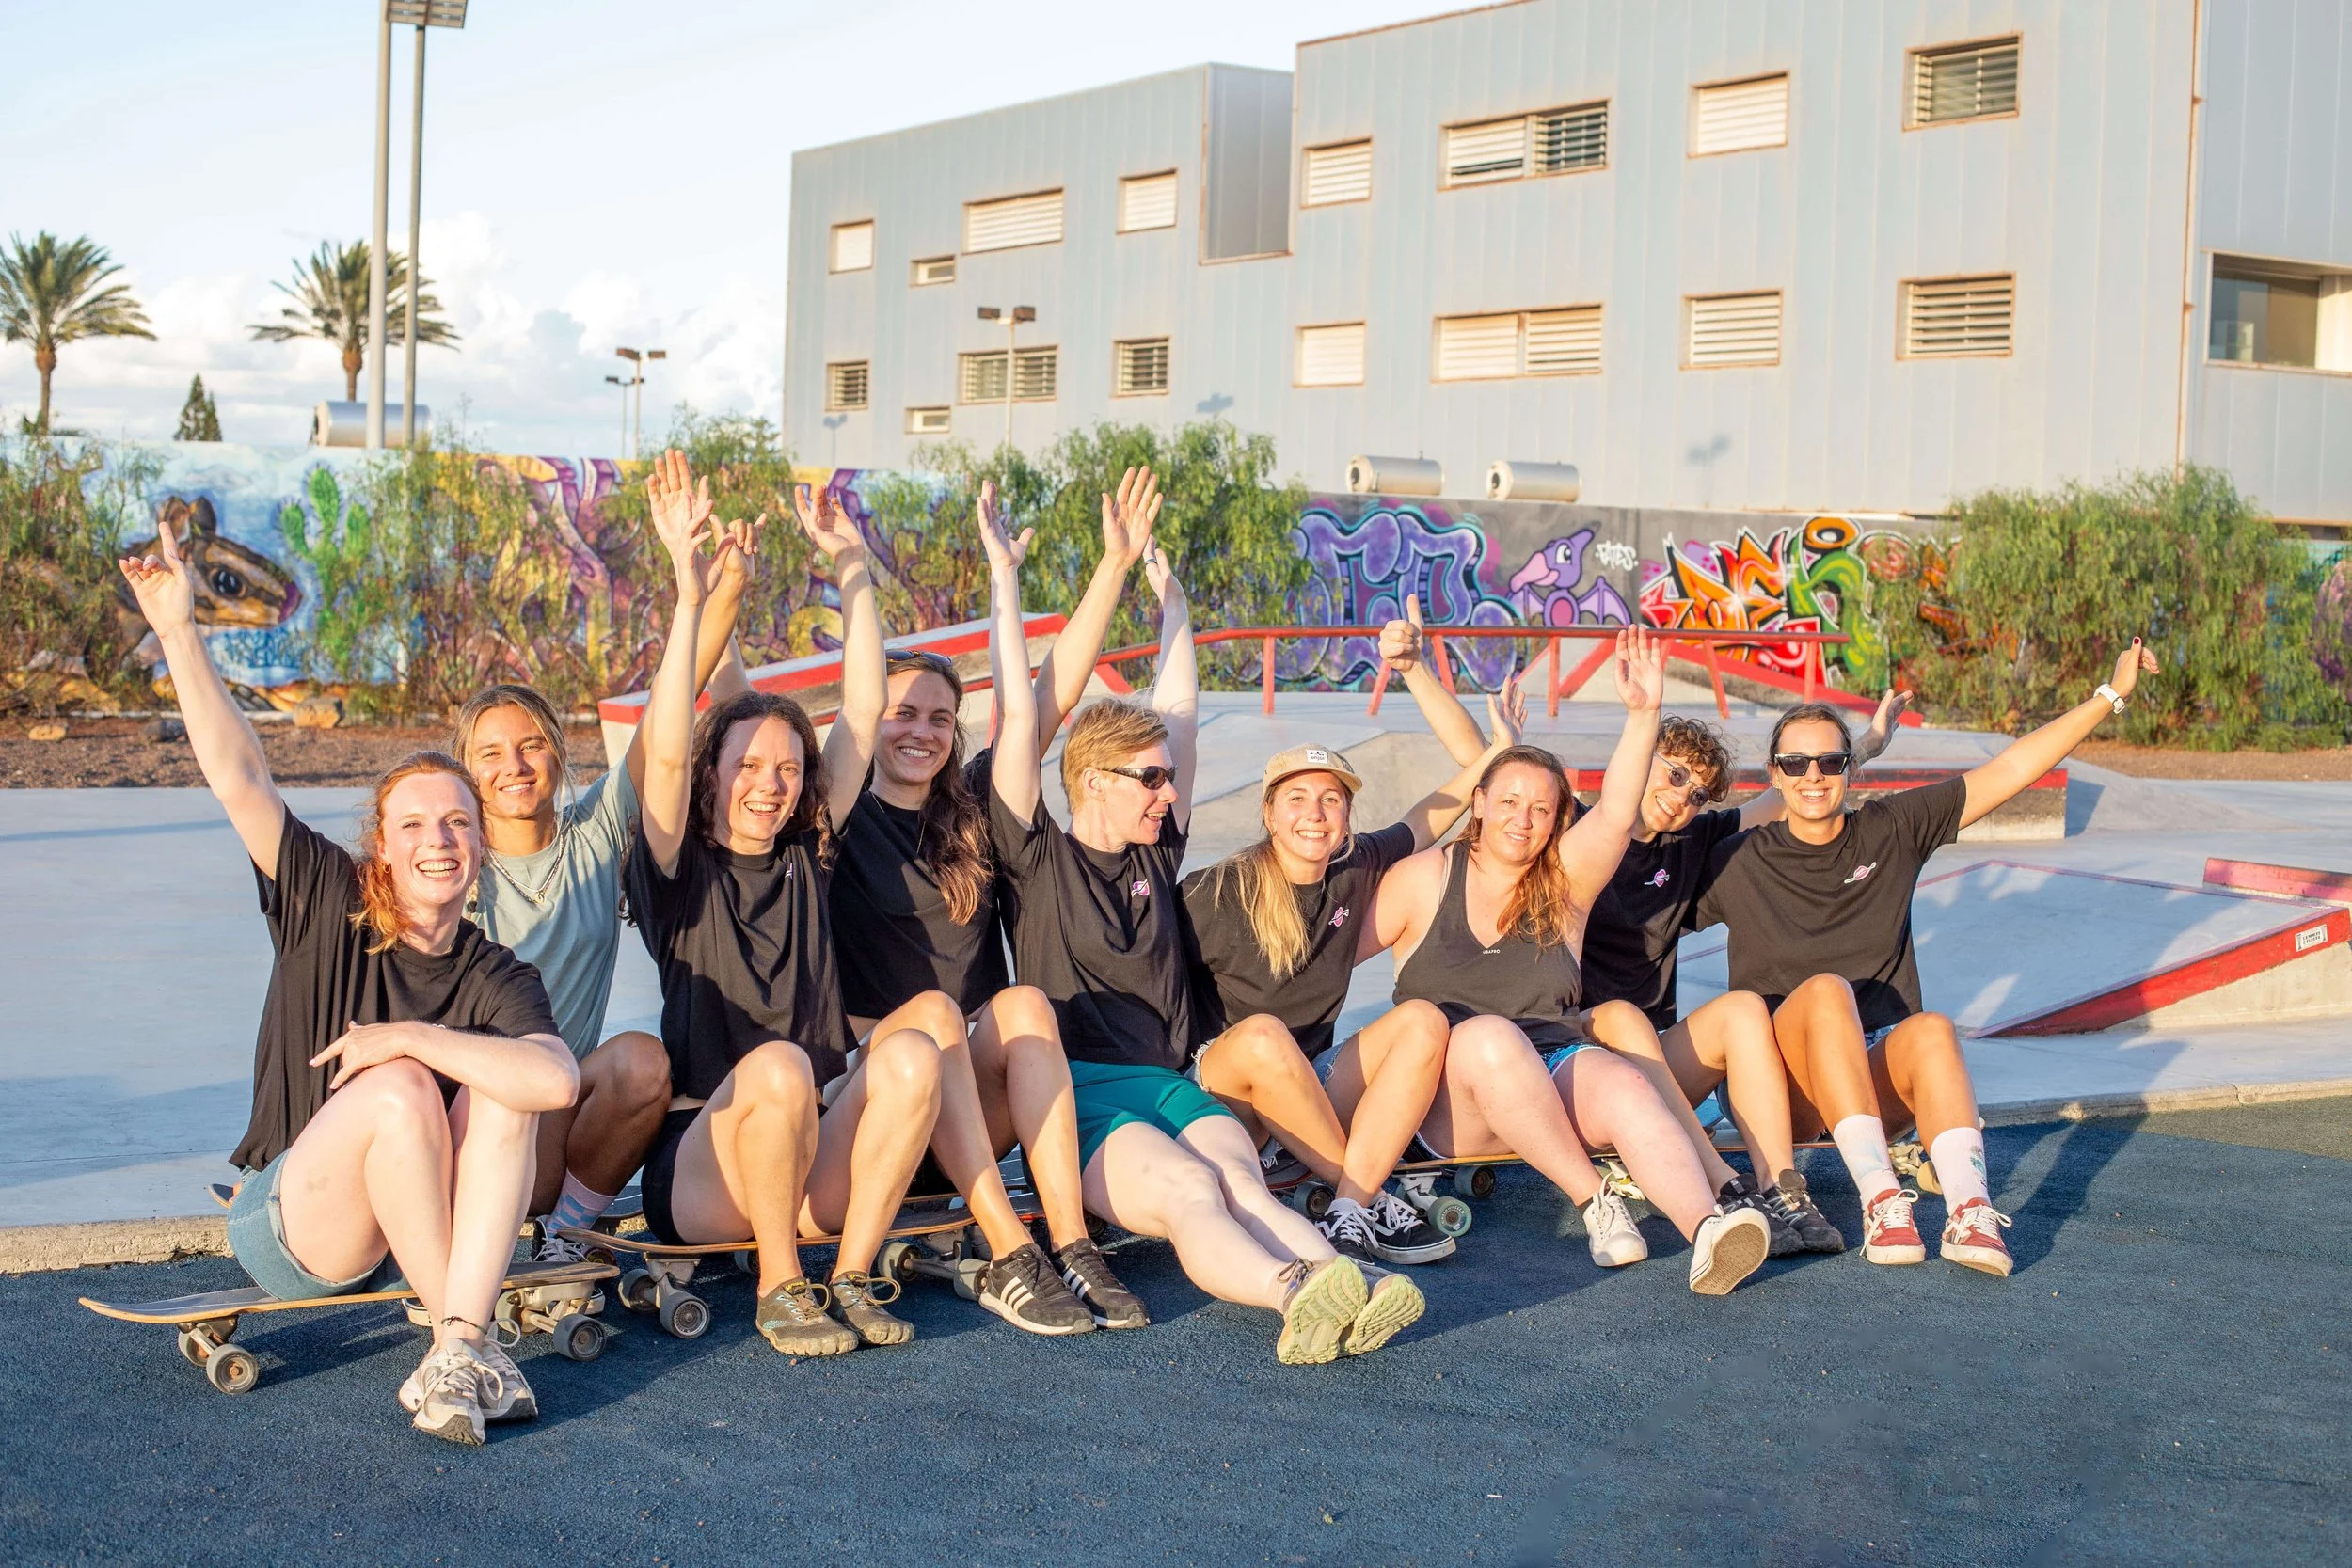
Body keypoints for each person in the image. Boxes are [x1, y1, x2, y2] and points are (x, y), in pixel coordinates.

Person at [119, 515, 580, 1447]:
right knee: (404, 1087)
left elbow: (557, 1080)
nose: (437, 840)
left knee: (501, 1082)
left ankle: (457, 1345)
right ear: (382, 841)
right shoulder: (328, 896)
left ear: (481, 845)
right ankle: (468, 1332)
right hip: (292, 1217)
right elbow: (242, 775)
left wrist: (406, 1032)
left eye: (456, 823)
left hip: (409, 1222)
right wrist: (178, 631)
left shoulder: (496, 970)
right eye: (413, 824)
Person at [989, 467, 1418, 1364]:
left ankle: (1364, 1290)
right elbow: (1019, 717)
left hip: (1173, 1082)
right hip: (1086, 1098)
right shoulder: (1035, 856)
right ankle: (1297, 1292)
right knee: (1192, 1190)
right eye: (1149, 777)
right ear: (1092, 781)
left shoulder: (1152, 850)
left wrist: (1174, 603)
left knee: (1242, 1185)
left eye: (1164, 776)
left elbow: (1178, 709)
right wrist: (1034, 577)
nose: (1168, 787)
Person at [761, 476, 1143, 1336]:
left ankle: (1071, 1244)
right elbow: (804, 717)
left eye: (939, 716)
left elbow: (1047, 701)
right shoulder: (835, 813)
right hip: (873, 1096)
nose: (919, 730)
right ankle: (1012, 1246)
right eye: (903, 713)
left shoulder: (972, 809)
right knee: (933, 1012)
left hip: (970, 1106)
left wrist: (1114, 565)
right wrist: (841, 572)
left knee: (1023, 1005)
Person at [1693, 641, 2161, 1278]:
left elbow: (2010, 770)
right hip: (1782, 1091)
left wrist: (2110, 695)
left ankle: (1970, 1210)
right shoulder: (1736, 857)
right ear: (1774, 773)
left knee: (1934, 1029)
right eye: (1795, 763)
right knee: (1829, 991)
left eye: (1829, 762)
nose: (1812, 776)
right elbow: (1635, 870)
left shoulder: (1892, 828)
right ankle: (1882, 1199)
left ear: (1849, 770)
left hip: (1874, 1078)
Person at [623, 455, 945, 1357]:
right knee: (777, 1068)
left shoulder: (810, 855)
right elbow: (668, 752)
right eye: (748, 766)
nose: (769, 785)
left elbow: (866, 702)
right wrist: (690, 593)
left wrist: (854, 568)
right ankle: (777, 1287)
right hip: (707, 1167)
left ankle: (851, 1272)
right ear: (715, 776)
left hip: (810, 1153)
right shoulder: (675, 866)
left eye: (788, 768)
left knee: (913, 1054)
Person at [1372, 628, 1774, 1295]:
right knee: (1496, 1037)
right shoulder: (1429, 876)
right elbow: (1489, 765)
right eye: (1511, 806)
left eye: (1538, 810)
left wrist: (1643, 713)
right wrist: (1414, 668)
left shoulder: (1568, 878)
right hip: (1450, 1089)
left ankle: (1708, 1225)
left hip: (1557, 1056)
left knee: (1627, 1088)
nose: (1524, 820)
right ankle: (1597, 1201)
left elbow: (1625, 811)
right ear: (1483, 807)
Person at [452, 457, 761, 1259]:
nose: (512, 766)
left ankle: (568, 1232)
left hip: (556, 1119)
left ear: (557, 755)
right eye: (490, 754)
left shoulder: (594, 832)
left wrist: (718, 585)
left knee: (640, 1062)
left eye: (529, 746)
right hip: (466, 1120)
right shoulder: (452, 863)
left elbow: (676, 697)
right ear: (467, 770)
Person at [1184, 595, 1526, 1270]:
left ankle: (1346, 1209)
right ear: (1270, 813)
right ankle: (1371, 1196)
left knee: (1424, 1019)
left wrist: (1502, 752)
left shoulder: (1356, 866)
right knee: (1261, 1035)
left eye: (1331, 800)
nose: (1316, 814)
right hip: (1220, 1091)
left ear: (1346, 815)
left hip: (1307, 1085)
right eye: (1298, 799)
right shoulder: (1216, 889)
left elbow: (1441, 809)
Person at [1575, 694, 1908, 1257]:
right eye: (1673, 774)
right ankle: (1722, 1189)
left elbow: (1792, 794)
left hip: (1657, 1058)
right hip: (1580, 1054)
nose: (1680, 796)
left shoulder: (1691, 842)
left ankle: (1782, 1190)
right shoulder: (1579, 832)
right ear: (1643, 759)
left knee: (1745, 1009)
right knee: (1622, 1019)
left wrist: (1864, 748)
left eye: (1697, 793)